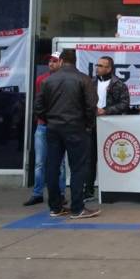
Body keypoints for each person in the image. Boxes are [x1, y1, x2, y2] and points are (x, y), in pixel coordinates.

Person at [34, 49, 100, 219]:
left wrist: (49, 120)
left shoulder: (48, 80)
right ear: (75, 61)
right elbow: (91, 105)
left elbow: (38, 107)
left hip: (54, 128)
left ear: (61, 61)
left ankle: (55, 207)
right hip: (76, 127)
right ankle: (78, 208)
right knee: (78, 168)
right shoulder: (84, 79)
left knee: (52, 166)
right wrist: (87, 125)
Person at [23, 52, 66, 206]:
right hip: (43, 124)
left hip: (59, 125)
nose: (51, 64)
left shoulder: (66, 80)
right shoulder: (41, 79)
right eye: (49, 61)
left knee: (59, 162)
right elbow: (39, 102)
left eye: (54, 61)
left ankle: (61, 193)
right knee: (40, 162)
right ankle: (37, 193)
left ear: (61, 62)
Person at [86, 56, 130, 201]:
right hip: (92, 125)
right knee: (90, 159)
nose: (97, 67)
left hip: (111, 126)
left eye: (101, 65)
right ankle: (89, 190)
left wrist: (107, 110)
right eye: (97, 64)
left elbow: (125, 104)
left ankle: (114, 189)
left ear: (109, 68)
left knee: (113, 157)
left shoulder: (118, 84)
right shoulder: (89, 82)